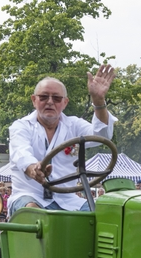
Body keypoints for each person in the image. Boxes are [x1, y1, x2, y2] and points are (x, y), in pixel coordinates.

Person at [8, 67, 116, 213]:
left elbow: (102, 136)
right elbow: (21, 153)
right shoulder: (21, 126)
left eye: (57, 98)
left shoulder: (74, 125)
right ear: (34, 100)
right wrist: (34, 169)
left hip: (68, 199)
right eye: (43, 97)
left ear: (65, 102)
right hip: (30, 196)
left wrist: (98, 101)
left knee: (102, 215)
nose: (50, 102)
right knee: (33, 212)